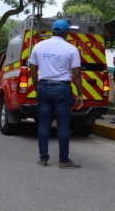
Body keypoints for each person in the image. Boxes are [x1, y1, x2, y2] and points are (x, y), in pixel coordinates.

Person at [29, 19, 83, 169]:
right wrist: (80, 94)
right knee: (63, 125)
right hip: (62, 89)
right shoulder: (71, 49)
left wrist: (36, 87)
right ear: (66, 33)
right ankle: (64, 160)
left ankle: (43, 158)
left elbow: (33, 69)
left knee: (44, 123)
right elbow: (77, 74)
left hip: (43, 87)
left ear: (52, 31)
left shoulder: (38, 47)